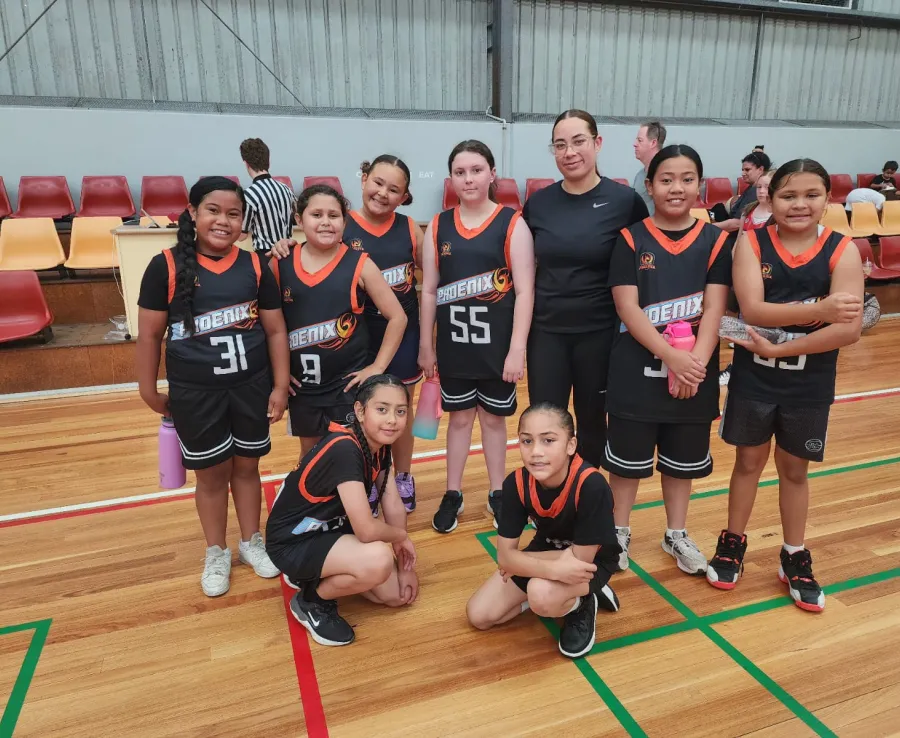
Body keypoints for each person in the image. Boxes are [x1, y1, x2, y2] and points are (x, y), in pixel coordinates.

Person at [709, 159, 864, 613]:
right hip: (754, 380)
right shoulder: (751, 243)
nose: (799, 204)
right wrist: (822, 307)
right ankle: (733, 541)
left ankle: (793, 553)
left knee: (795, 470)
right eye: (788, 195)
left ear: (827, 200)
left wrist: (782, 346)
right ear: (770, 199)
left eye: (811, 194)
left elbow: (849, 331)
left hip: (809, 384)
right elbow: (753, 311)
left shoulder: (843, 250)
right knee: (748, 462)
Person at [136, 176, 290, 597]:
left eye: (233, 214)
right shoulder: (165, 266)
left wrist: (279, 386)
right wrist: (148, 392)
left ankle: (250, 542)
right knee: (210, 475)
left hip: (250, 387)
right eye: (213, 211)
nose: (223, 221)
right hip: (195, 393)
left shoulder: (255, 265)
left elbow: (276, 331)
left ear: (244, 220)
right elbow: (149, 336)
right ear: (193, 213)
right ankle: (216, 550)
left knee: (247, 468)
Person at [603, 145, 731, 575]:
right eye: (666, 179)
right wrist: (672, 356)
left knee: (682, 462)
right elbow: (627, 308)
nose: (677, 188)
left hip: (695, 371)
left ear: (700, 184)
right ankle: (618, 531)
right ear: (650, 186)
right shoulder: (630, 238)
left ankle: (676, 533)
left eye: (687, 178)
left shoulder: (716, 240)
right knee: (626, 464)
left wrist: (695, 362)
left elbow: (714, 308)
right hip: (636, 372)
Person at [419, 140, 535, 534]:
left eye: (476, 170)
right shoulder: (437, 226)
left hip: (497, 348)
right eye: (460, 171)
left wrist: (518, 348)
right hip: (454, 348)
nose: (468, 178)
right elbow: (430, 290)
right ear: (451, 178)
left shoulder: (512, 223)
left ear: (491, 174)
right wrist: (426, 343)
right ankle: (453, 493)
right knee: (458, 420)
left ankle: (498, 492)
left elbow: (525, 291)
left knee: (493, 422)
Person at [523, 110, 649, 468]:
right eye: (560, 145)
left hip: (601, 333)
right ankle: (548, 503)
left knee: (593, 421)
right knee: (545, 423)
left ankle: (587, 499)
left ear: (597, 143)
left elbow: (646, 264)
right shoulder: (539, 203)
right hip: (547, 332)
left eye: (578, 141)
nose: (569, 152)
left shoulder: (625, 201)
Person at [265, 375, 419, 647]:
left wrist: (404, 563)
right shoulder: (345, 448)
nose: (392, 420)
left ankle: (314, 573)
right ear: (360, 411)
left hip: (328, 529)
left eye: (400, 411)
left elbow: (391, 500)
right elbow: (367, 529)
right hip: (292, 542)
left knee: (395, 594)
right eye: (381, 409)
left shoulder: (378, 444)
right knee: (378, 561)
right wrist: (399, 538)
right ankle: (312, 600)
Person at [466, 403, 620, 659]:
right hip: (548, 553)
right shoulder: (515, 483)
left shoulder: (591, 485)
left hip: (592, 563)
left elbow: (580, 561)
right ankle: (554, 596)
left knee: (541, 594)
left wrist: (520, 562)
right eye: (527, 441)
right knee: (479, 615)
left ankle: (582, 603)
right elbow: (505, 558)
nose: (536, 452)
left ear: (571, 445)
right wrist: (548, 568)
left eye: (548, 440)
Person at [273, 185, 407, 458]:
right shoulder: (280, 263)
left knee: (357, 451)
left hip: (346, 386)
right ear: (299, 220)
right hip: (303, 388)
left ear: (344, 221)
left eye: (333, 215)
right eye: (316, 214)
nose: (325, 222)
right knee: (310, 455)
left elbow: (398, 317)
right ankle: (314, 501)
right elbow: (270, 329)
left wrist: (378, 367)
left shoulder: (360, 264)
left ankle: (368, 498)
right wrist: (278, 374)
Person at [341, 155, 424, 513]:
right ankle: (366, 478)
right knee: (361, 413)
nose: (382, 193)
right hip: (358, 337)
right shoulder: (341, 226)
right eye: (377, 183)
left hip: (403, 335)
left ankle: (401, 476)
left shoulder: (409, 229)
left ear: (404, 196)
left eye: (394, 189)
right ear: (363, 179)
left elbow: (436, 278)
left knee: (400, 410)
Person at [238, 138, 296, 254]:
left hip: (266, 255)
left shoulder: (249, 195)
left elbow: (242, 236)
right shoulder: (286, 189)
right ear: (268, 162)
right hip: (288, 252)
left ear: (246, 164)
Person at [713, 151, 772, 232]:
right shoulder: (751, 188)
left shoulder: (755, 191)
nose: (743, 173)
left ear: (760, 169)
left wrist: (708, 227)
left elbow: (737, 223)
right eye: (743, 170)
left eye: (747, 170)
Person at [632, 120, 667, 215]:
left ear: (653, 143)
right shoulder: (639, 175)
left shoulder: (667, 176)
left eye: (640, 140)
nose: (634, 144)